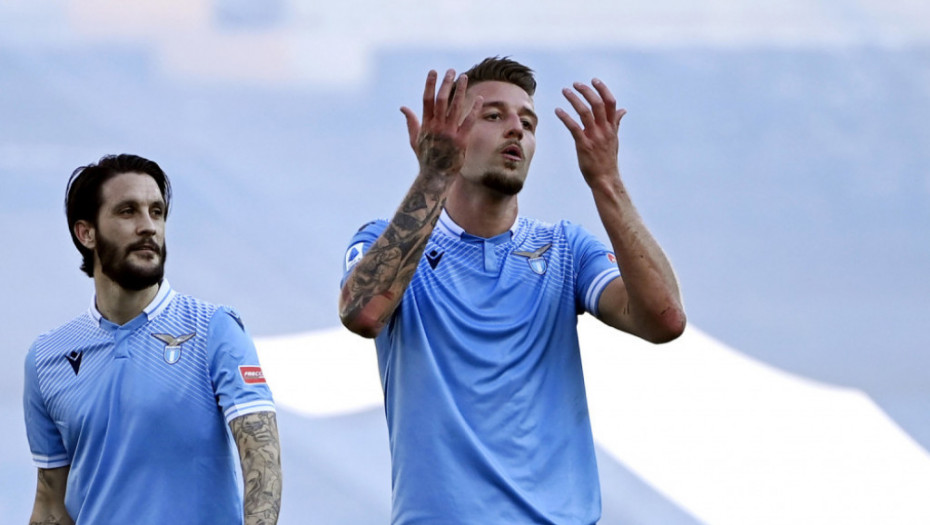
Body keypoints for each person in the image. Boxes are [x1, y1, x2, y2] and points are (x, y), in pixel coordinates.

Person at [338, 57, 686, 523]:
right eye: (493, 115)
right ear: (450, 133)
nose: (516, 130)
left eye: (528, 122)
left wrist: (607, 180)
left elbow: (665, 321)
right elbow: (363, 314)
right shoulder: (386, 243)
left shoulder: (565, 249)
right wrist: (433, 177)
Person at [23, 154, 282, 525]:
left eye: (156, 212)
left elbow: (262, 460)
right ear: (86, 233)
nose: (148, 226)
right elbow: (50, 503)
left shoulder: (214, 328)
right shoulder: (47, 358)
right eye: (128, 211)